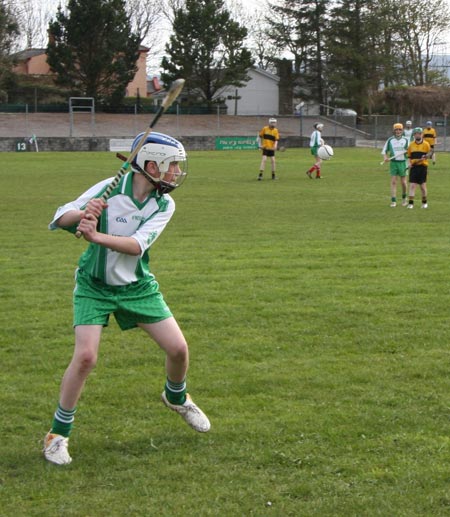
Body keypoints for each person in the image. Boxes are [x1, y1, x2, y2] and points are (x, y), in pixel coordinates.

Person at [43, 132, 211, 466]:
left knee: (178, 349)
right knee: (86, 357)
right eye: (171, 165)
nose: (176, 172)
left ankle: (176, 397)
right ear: (151, 165)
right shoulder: (110, 187)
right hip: (94, 285)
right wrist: (82, 215)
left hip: (137, 287)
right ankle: (57, 435)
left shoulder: (164, 203)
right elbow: (60, 217)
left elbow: (136, 245)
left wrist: (95, 235)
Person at [381, 122, 409, 207]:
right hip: (393, 163)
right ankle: (393, 201)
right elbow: (384, 151)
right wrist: (385, 158)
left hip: (403, 163)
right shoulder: (390, 140)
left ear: (402, 130)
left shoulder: (406, 140)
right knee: (393, 182)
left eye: (400, 129)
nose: (398, 131)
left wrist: (408, 152)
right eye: (396, 129)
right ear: (394, 130)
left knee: (403, 182)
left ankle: (404, 199)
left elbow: (410, 151)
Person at [406, 127, 431, 209]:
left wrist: (426, 156)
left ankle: (424, 203)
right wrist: (409, 163)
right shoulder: (411, 145)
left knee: (423, 186)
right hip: (414, 167)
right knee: (412, 185)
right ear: (414, 135)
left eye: (419, 133)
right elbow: (409, 157)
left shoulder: (426, 144)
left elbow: (430, 155)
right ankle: (411, 203)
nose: (417, 135)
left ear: (421, 134)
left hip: (423, 168)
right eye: (416, 134)